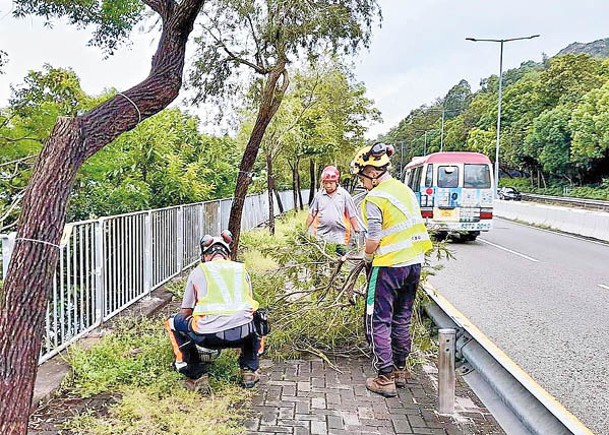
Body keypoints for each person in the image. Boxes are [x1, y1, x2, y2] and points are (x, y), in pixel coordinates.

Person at [350, 143, 433, 397]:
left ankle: (384, 377)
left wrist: (366, 257)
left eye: (362, 177)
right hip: (413, 264)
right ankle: (400, 370)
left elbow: (373, 238)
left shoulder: (375, 197)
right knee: (402, 317)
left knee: (377, 319)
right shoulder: (404, 190)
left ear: (373, 173)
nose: (362, 183)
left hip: (388, 266)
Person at [165, 230, 261, 391]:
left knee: (172, 322)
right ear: (228, 255)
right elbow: (249, 307)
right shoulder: (240, 270)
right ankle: (249, 370)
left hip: (209, 336)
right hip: (242, 334)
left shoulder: (198, 271)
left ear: (205, 256)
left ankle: (193, 371)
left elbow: (186, 312)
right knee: (257, 318)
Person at [305, 165, 361, 255]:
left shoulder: (344, 195)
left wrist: (357, 230)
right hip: (321, 236)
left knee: (339, 263)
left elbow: (352, 214)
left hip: (340, 237)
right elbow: (312, 214)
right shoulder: (318, 196)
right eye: (325, 183)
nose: (328, 186)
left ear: (336, 182)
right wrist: (305, 229)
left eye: (331, 183)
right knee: (321, 262)